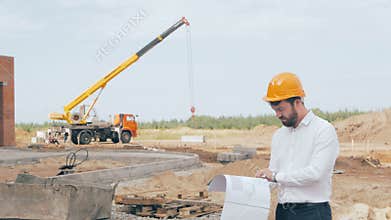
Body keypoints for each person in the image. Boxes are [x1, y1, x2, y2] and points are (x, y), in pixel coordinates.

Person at [256, 72, 339, 220]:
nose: (278, 115)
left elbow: (316, 174)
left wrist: (275, 176)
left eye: (281, 109)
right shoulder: (279, 136)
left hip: (312, 212)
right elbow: (275, 175)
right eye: (275, 110)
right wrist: (259, 182)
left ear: (297, 102)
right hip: (283, 211)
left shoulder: (323, 130)